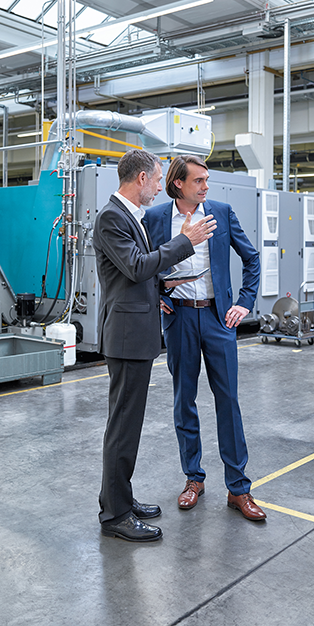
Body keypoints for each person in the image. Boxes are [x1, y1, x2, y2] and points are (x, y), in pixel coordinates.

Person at [94, 149, 216, 543]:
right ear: (142, 178)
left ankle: (120, 499)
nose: (160, 186)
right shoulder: (113, 217)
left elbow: (137, 272)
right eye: (158, 178)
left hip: (136, 334)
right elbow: (135, 266)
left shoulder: (131, 216)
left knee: (128, 426)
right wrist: (184, 242)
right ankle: (115, 515)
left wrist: (164, 283)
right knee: (122, 428)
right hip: (126, 337)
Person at [143, 155, 265, 521]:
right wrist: (157, 295)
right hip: (179, 318)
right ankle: (193, 478)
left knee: (228, 400)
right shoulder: (155, 218)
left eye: (207, 180)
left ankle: (239, 488)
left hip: (218, 318)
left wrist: (244, 302)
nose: (206, 187)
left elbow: (251, 258)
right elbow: (144, 265)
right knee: (185, 399)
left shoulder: (221, 213)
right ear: (178, 183)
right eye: (199, 181)